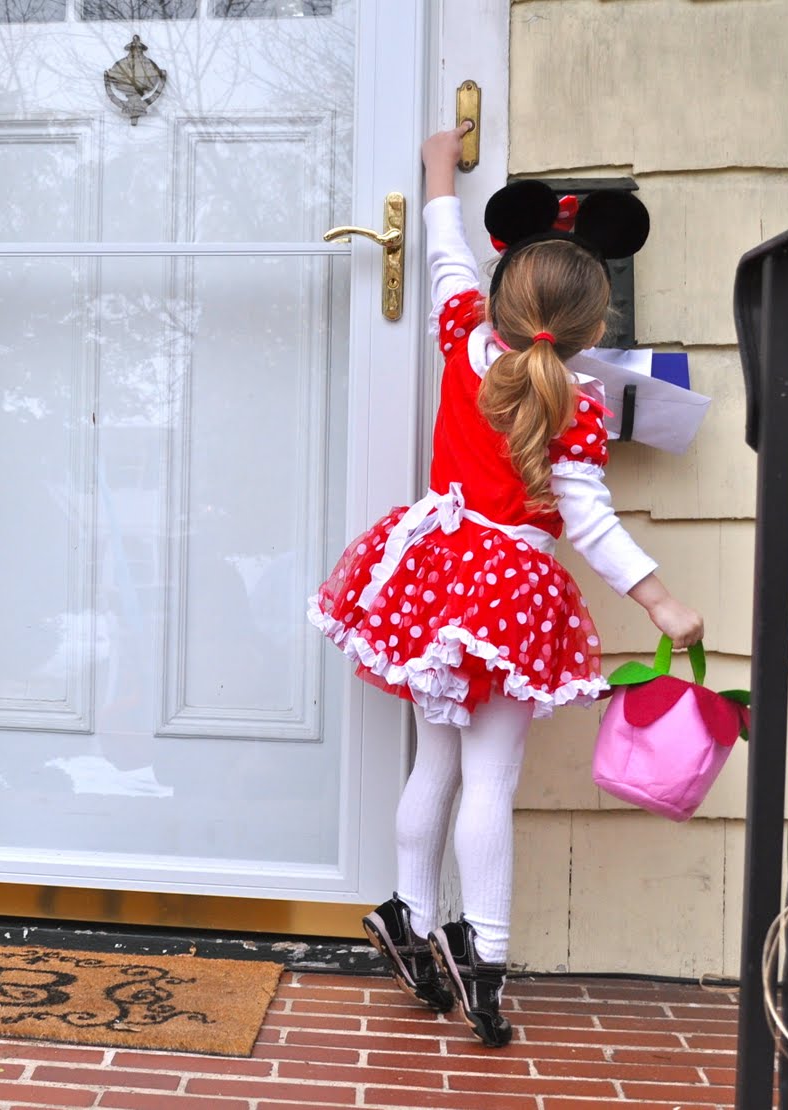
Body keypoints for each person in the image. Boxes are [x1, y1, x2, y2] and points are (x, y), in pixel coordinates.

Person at [307, 123, 704, 1048]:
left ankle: (408, 916)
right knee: (491, 777)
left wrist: (439, 172)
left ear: (499, 292)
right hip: (507, 593)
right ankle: (481, 955)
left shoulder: (461, 335)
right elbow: (592, 521)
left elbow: (444, 255)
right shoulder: (574, 400)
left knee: (433, 764)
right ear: (594, 328)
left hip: (429, 569)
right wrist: (659, 601)